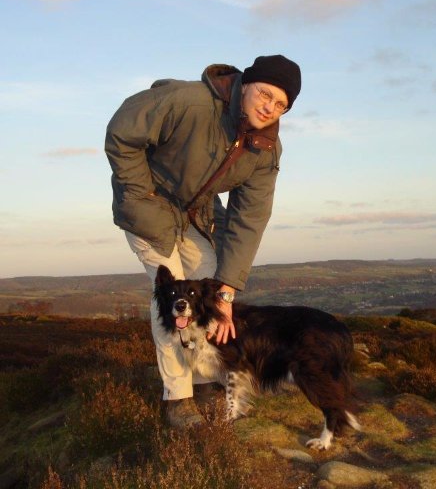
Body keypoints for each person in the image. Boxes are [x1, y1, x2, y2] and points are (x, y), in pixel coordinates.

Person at [105, 55, 301, 428]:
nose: (269, 107)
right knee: (173, 295)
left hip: (195, 213)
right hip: (148, 206)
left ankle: (203, 377)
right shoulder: (189, 102)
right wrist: (139, 193)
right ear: (246, 84)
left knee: (208, 286)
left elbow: (250, 217)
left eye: (281, 105)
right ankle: (177, 397)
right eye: (265, 94)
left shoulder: (265, 149)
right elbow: (122, 130)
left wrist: (227, 293)